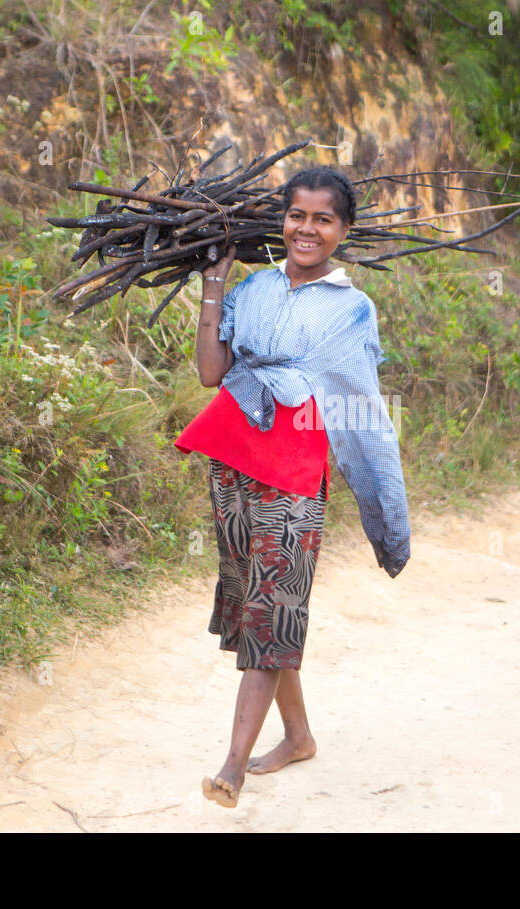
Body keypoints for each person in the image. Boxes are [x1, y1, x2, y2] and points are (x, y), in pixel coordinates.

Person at [173, 164, 411, 807]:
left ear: (343, 230)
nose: (307, 229)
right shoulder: (252, 289)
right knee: (257, 608)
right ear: (283, 219)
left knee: (273, 609)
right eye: (297, 215)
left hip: (294, 476)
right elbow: (210, 372)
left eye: (323, 219)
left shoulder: (352, 310)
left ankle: (232, 767)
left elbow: (362, 412)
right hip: (234, 460)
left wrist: (386, 514)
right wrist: (214, 287)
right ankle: (299, 736)